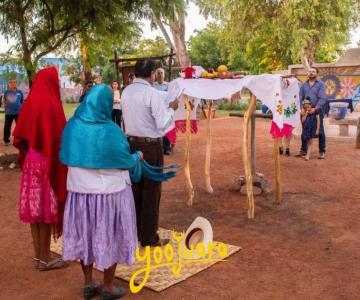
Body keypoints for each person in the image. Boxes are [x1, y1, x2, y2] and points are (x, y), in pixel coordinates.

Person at [60, 83, 177, 299]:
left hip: (79, 194)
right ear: (105, 104)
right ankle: (107, 286)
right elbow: (124, 161)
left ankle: (88, 283)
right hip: (109, 195)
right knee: (110, 236)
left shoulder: (72, 126)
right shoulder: (110, 130)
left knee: (86, 235)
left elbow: (65, 154)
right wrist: (137, 157)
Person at [13, 67, 68, 271]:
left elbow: (19, 136)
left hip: (30, 162)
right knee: (46, 212)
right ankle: (46, 259)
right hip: (46, 164)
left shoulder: (29, 102)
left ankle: (39, 256)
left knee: (34, 211)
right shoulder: (52, 104)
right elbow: (57, 138)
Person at [122, 58, 179, 247]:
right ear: (152, 74)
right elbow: (163, 123)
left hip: (131, 145)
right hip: (150, 147)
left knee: (134, 190)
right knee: (151, 191)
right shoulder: (153, 94)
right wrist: (171, 110)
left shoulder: (126, 92)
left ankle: (135, 232)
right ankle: (148, 236)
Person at [296, 67, 327, 159]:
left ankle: (322, 151)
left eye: (313, 71)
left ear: (317, 73)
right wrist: (301, 108)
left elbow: (322, 98)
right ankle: (303, 150)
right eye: (310, 71)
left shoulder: (321, 84)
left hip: (317, 110)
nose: (311, 73)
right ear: (307, 73)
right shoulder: (303, 85)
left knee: (320, 130)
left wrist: (315, 108)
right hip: (305, 111)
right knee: (305, 130)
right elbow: (300, 97)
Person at [152, 67, 173, 155]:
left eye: (161, 73)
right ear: (156, 75)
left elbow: (171, 96)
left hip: (167, 110)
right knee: (158, 128)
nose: (160, 74)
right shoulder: (153, 86)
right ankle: (159, 148)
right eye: (158, 73)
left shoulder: (168, 85)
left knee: (167, 128)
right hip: (157, 110)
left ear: (164, 75)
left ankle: (167, 148)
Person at [3, 79, 24, 145]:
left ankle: (20, 140)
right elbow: (5, 100)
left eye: (14, 83)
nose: (13, 84)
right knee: (7, 126)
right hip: (9, 112)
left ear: (16, 84)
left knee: (20, 126)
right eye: (11, 83)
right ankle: (6, 140)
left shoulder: (19, 92)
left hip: (18, 112)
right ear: (9, 84)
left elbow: (21, 101)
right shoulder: (6, 92)